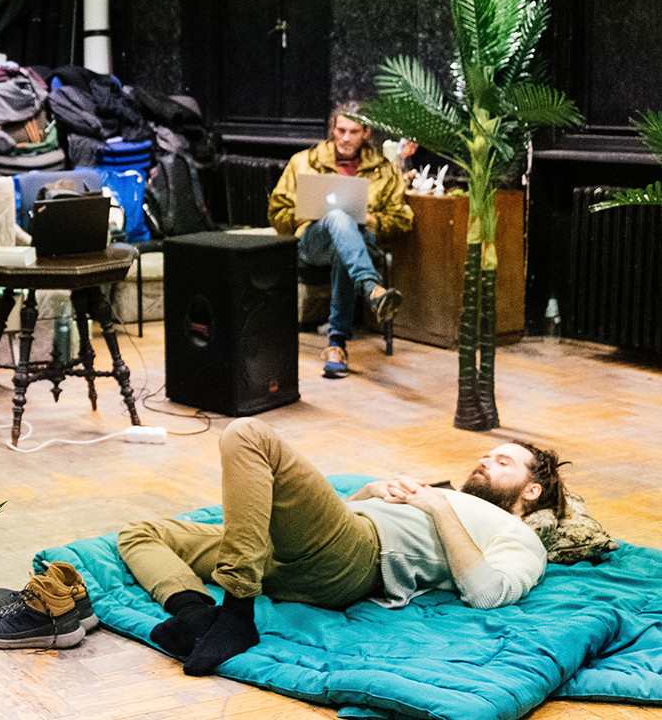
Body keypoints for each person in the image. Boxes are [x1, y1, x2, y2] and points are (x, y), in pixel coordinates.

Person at [114, 419, 561, 676]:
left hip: (356, 557)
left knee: (248, 434)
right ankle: (194, 613)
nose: (485, 460)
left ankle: (236, 610)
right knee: (140, 533)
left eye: (503, 461)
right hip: (305, 549)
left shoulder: (521, 535)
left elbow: (488, 593)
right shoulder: (444, 493)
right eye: (486, 455)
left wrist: (439, 507)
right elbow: (310, 522)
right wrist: (367, 493)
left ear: (532, 491)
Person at [268, 103, 413, 378]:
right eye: (341, 130)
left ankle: (336, 346)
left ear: (366, 133)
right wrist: (311, 214)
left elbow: (402, 219)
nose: (346, 138)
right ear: (332, 130)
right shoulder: (304, 162)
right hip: (314, 242)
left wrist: (371, 219)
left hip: (359, 243)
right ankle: (371, 288)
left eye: (354, 132)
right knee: (336, 216)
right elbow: (277, 213)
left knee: (343, 246)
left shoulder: (384, 170)